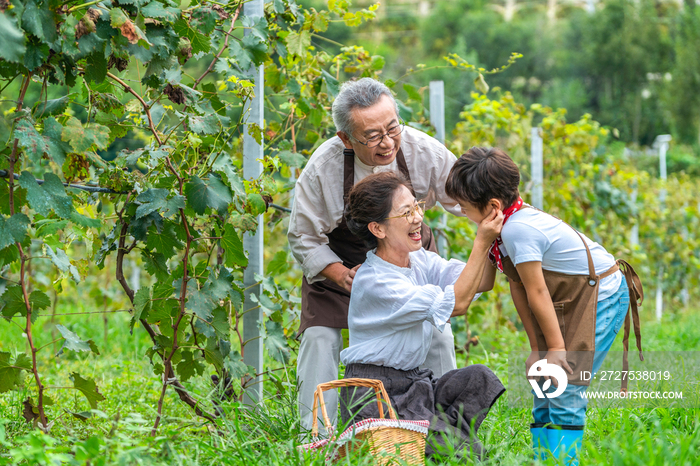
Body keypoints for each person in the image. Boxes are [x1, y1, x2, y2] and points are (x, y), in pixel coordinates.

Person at [444, 147, 643, 465]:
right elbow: (517, 286)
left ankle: (564, 461)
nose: (461, 212)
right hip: (568, 299)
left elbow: (537, 291)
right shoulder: (502, 231)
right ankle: (544, 460)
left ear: (493, 206)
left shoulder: (518, 230)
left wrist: (557, 348)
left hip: (601, 295)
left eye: (464, 207)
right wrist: (538, 350)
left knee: (566, 385)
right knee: (545, 382)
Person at [288, 78, 465, 434]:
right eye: (371, 136)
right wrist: (338, 274)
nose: (387, 142)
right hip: (343, 269)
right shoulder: (324, 167)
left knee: (439, 336)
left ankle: (447, 430)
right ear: (345, 138)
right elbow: (303, 234)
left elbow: (462, 194)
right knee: (320, 337)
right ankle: (317, 436)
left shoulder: (420, 150)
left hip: (408, 260)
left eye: (392, 128)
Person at [338, 171, 505, 458]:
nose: (417, 218)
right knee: (468, 453)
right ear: (378, 229)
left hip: (415, 385)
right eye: (406, 212)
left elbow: (481, 282)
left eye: (416, 206)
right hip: (375, 397)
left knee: (479, 378)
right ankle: (435, 437)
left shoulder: (419, 261)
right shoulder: (377, 280)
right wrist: (481, 241)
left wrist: (491, 235)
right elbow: (458, 305)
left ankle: (433, 436)